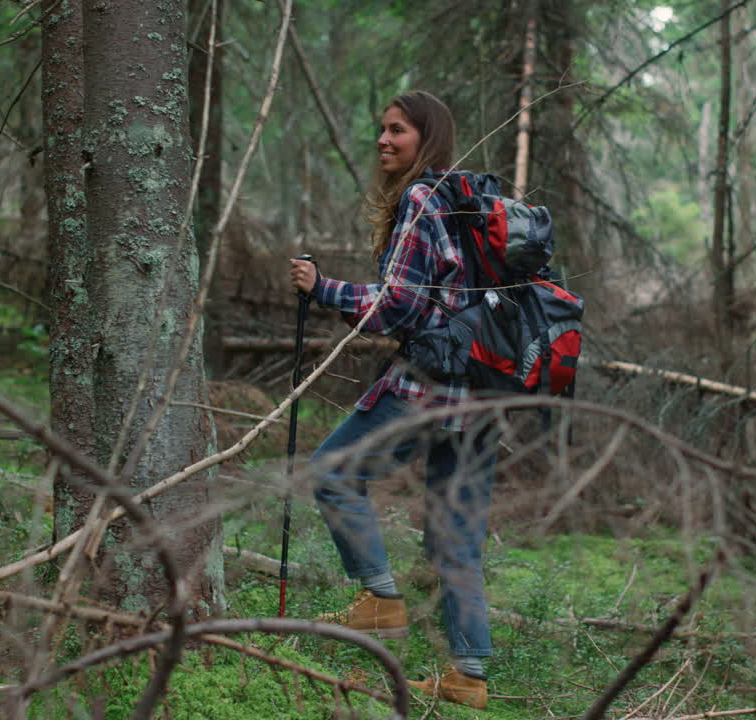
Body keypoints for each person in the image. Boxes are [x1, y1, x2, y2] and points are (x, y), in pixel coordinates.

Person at [289, 90, 497, 710]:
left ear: (426, 137)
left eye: (398, 130)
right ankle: (469, 677)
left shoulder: (422, 198)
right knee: (455, 535)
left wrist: (323, 288)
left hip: (427, 387)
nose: (383, 140)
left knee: (332, 474)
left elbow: (399, 306)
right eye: (380, 129)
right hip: (481, 397)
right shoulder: (466, 204)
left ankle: (379, 601)